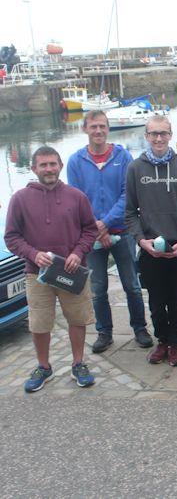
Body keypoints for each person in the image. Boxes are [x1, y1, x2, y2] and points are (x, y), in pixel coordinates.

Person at [5, 146, 97, 392]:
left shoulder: (77, 196)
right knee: (39, 322)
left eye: (53, 164)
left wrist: (78, 253)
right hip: (37, 274)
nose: (49, 169)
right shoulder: (19, 199)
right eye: (43, 165)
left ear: (60, 166)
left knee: (77, 319)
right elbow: (12, 237)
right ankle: (44, 367)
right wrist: (33, 254)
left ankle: (78, 363)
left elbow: (90, 230)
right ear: (34, 168)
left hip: (72, 271)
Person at [67, 110, 153, 354]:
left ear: (108, 128)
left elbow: (128, 194)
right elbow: (76, 199)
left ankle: (139, 328)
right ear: (85, 129)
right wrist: (97, 228)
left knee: (132, 285)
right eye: (93, 126)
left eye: (102, 126)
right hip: (91, 237)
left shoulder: (122, 156)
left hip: (123, 232)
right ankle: (104, 332)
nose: (98, 131)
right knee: (97, 287)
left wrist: (105, 223)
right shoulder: (76, 161)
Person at [125, 116, 177, 367]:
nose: (158, 138)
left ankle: (175, 344)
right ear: (146, 136)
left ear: (171, 135)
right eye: (153, 134)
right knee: (157, 302)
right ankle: (162, 341)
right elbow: (130, 213)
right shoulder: (135, 168)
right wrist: (140, 240)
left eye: (163, 133)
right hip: (150, 248)